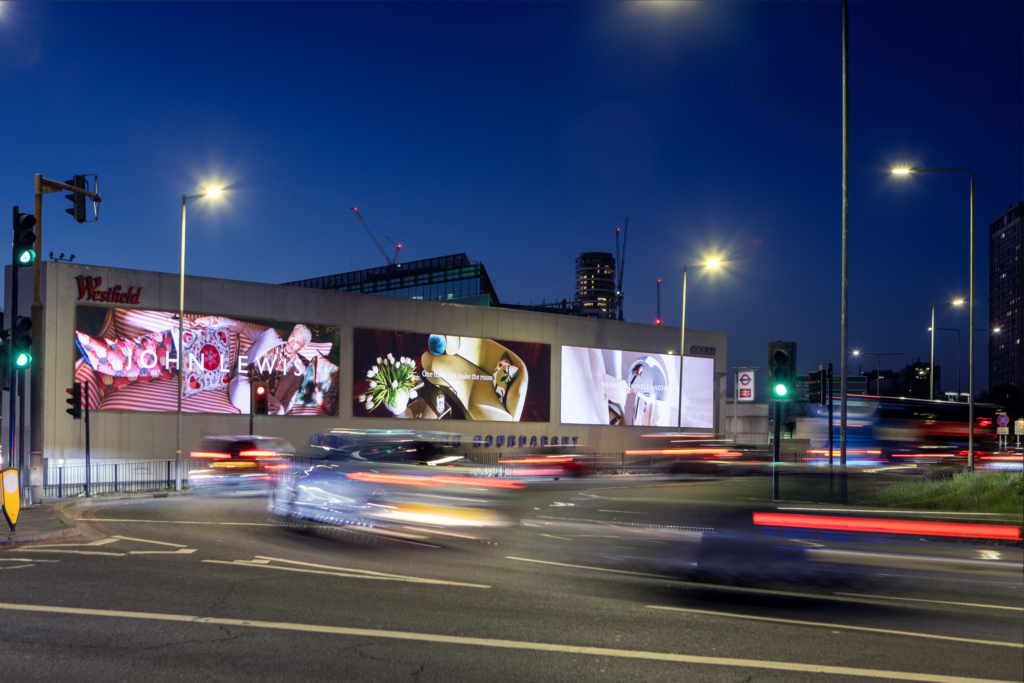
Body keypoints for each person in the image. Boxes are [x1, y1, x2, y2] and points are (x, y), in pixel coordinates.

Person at [194, 317, 311, 415]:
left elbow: (288, 399)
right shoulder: (270, 336)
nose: (291, 342)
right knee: (260, 406)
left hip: (267, 399)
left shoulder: (299, 369)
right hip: (245, 384)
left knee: (279, 410)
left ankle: (258, 421)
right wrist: (214, 321)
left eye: (297, 342)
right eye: (292, 336)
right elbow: (243, 327)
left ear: (302, 348)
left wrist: (280, 413)